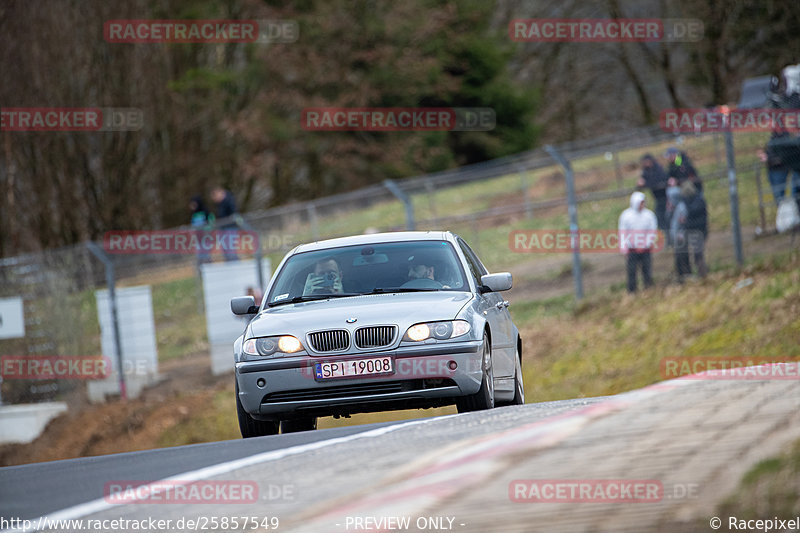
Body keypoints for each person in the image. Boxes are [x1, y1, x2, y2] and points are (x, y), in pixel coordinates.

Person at [618, 191, 658, 293]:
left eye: (643, 202)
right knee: (632, 272)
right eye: (640, 203)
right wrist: (624, 249)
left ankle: (648, 289)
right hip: (632, 249)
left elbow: (652, 231)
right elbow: (623, 233)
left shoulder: (649, 215)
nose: (642, 205)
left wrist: (646, 245)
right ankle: (632, 292)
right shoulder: (626, 216)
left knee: (647, 271)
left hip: (645, 249)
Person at [673, 181, 708, 281]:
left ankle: (702, 275)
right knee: (682, 252)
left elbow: (695, 216)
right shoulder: (686, 202)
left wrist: (686, 221)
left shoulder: (697, 202)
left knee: (698, 254)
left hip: (698, 231)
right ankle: (685, 275)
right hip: (690, 232)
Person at [759, 129, 800, 206]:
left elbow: (786, 156)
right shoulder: (774, 136)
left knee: (787, 197)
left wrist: (770, 158)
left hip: (781, 169)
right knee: (780, 198)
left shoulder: (786, 136)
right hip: (773, 168)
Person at [638, 154, 669, 231]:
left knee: (663, 214)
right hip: (657, 197)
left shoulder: (658, 168)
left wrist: (646, 183)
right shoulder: (646, 171)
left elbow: (656, 181)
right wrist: (640, 183)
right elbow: (642, 184)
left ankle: (666, 230)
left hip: (665, 195)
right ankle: (664, 230)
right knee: (659, 215)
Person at [211, 186, 239, 261]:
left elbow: (233, 214)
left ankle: (234, 264)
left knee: (230, 249)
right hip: (222, 229)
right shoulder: (219, 204)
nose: (215, 199)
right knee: (225, 249)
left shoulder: (229, 200)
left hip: (230, 228)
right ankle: (229, 264)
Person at [189, 195, 214, 264]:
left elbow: (211, 222)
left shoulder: (206, 212)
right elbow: (193, 225)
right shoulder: (194, 214)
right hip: (198, 238)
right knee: (199, 255)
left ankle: (209, 268)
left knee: (206, 254)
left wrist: (207, 231)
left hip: (206, 237)